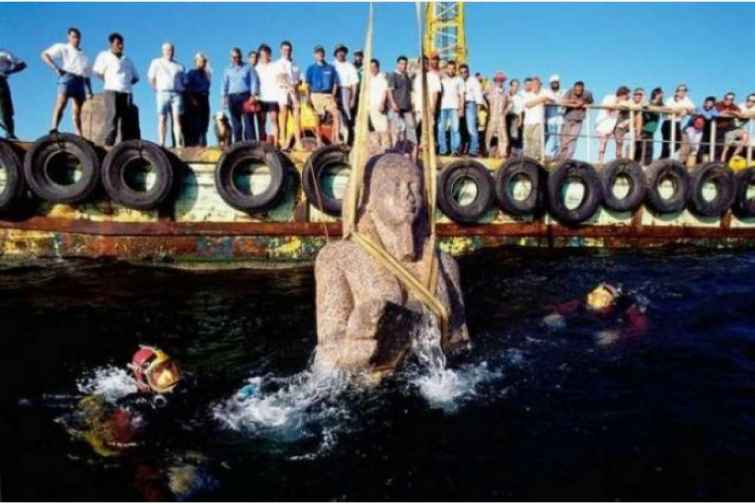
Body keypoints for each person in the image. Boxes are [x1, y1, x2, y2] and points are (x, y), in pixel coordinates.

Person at [543, 283, 649, 345]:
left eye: (601, 303)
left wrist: (617, 336)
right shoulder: (583, 304)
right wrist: (554, 314)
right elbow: (559, 307)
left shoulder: (624, 309)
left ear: (611, 304)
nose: (592, 307)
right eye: (592, 298)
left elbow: (640, 328)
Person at [42, 27, 93, 136]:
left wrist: (89, 91)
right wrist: (55, 67)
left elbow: (87, 75)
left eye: (78, 37)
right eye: (74, 37)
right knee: (61, 102)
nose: (76, 39)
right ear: (69, 37)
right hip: (67, 77)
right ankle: (54, 127)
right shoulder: (63, 47)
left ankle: (79, 133)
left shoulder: (84, 56)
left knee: (78, 110)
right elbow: (44, 55)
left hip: (80, 81)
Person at [92, 33, 140, 146]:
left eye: (122, 43)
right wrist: (109, 80)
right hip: (111, 90)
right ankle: (108, 144)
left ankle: (127, 146)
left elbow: (136, 77)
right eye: (118, 43)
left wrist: (126, 83)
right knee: (112, 117)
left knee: (127, 120)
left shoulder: (127, 59)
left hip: (127, 92)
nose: (121, 46)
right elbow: (97, 72)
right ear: (111, 44)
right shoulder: (104, 55)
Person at [148, 42, 186, 147]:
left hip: (176, 94)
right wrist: (156, 89)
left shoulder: (179, 66)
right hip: (162, 93)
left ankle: (178, 144)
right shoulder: (156, 62)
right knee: (162, 118)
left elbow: (184, 81)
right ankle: (161, 143)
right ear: (163, 51)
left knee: (177, 119)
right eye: (167, 49)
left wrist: (181, 89)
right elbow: (151, 78)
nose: (170, 52)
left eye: (171, 50)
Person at [305, 45, 340, 147]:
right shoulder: (310, 68)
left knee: (336, 113)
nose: (320, 54)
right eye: (317, 53)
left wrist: (333, 95)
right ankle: (318, 139)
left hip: (328, 95)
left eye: (321, 52)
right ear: (314, 55)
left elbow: (336, 83)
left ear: (324, 54)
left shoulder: (331, 68)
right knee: (317, 117)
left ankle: (336, 138)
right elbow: (307, 85)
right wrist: (308, 98)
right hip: (315, 95)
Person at [221, 47, 259, 143]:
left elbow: (254, 82)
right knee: (236, 123)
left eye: (237, 57)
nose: (236, 59)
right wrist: (224, 97)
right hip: (232, 97)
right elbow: (224, 84)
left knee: (248, 122)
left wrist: (253, 95)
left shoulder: (248, 67)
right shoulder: (227, 70)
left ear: (241, 57)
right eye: (233, 57)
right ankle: (238, 144)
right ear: (230, 58)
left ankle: (251, 143)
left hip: (246, 97)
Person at [387, 55, 418, 150]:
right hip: (397, 108)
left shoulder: (407, 77)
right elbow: (389, 91)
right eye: (401, 64)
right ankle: (397, 151)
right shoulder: (393, 75)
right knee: (397, 130)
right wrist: (393, 103)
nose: (403, 66)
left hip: (407, 108)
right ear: (397, 64)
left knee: (411, 130)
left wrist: (412, 105)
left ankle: (410, 149)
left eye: (405, 64)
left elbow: (410, 92)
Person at [275, 40, 302, 150]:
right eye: (285, 49)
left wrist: (295, 89)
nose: (287, 51)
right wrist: (290, 87)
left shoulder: (295, 65)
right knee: (283, 116)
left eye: (289, 50)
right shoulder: (278, 63)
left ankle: (298, 142)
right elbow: (281, 77)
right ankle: (283, 142)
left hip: (294, 92)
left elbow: (299, 79)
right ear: (281, 50)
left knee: (296, 117)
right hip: (283, 91)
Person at [558, 80, 594, 161]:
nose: (578, 92)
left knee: (573, 139)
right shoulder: (570, 91)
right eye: (576, 90)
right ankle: (562, 158)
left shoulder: (588, 93)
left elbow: (591, 103)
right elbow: (562, 101)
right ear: (574, 88)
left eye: (580, 90)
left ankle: (568, 159)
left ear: (583, 89)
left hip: (579, 120)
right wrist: (574, 102)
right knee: (564, 139)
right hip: (568, 118)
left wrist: (583, 103)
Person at [412, 55, 442, 149]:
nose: (422, 65)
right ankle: (418, 146)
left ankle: (429, 147)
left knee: (429, 129)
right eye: (421, 63)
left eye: (425, 63)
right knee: (417, 128)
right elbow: (415, 94)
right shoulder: (417, 78)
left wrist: (433, 107)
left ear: (427, 64)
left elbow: (435, 93)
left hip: (428, 107)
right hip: (418, 108)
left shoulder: (433, 76)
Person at [595, 86, 630, 163]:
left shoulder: (625, 103)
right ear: (622, 94)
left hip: (614, 124)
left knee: (619, 143)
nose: (627, 97)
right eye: (626, 96)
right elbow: (608, 109)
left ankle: (618, 162)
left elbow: (628, 112)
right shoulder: (609, 97)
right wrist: (618, 103)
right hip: (603, 123)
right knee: (603, 143)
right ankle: (600, 161)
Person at [255, 44, 281, 146]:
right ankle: (262, 143)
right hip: (260, 98)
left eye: (266, 54)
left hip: (273, 97)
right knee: (261, 121)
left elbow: (280, 79)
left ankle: (276, 143)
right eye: (262, 55)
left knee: (274, 120)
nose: (264, 57)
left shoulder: (275, 66)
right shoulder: (256, 68)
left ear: (269, 55)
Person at [437, 60, 465, 156]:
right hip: (443, 107)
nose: (451, 70)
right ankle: (443, 150)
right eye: (449, 68)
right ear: (446, 69)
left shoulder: (459, 80)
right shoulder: (442, 80)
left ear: (455, 70)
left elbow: (462, 95)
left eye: (453, 69)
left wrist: (461, 108)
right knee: (441, 128)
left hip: (454, 107)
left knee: (455, 129)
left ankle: (455, 150)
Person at [332, 44, 358, 145]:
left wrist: (353, 98)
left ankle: (348, 141)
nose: (341, 53)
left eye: (342, 51)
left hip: (346, 91)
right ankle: (335, 139)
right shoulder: (332, 65)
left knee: (347, 117)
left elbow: (354, 83)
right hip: (335, 91)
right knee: (335, 115)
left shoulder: (349, 66)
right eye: (338, 51)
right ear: (336, 53)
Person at [660, 84, 695, 159]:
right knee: (666, 144)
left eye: (685, 90)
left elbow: (692, 109)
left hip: (677, 123)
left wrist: (686, 109)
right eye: (681, 90)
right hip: (667, 123)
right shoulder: (670, 99)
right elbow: (667, 110)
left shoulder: (687, 100)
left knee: (677, 144)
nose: (683, 92)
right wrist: (680, 110)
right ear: (676, 92)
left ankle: (665, 159)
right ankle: (662, 160)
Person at [184, 53, 212, 147]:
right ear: (195, 62)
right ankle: (194, 144)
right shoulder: (191, 73)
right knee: (195, 124)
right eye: (200, 61)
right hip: (195, 98)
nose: (202, 63)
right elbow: (187, 87)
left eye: (204, 61)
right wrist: (192, 99)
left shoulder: (207, 74)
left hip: (205, 98)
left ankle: (203, 144)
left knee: (205, 122)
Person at [523, 76, 552, 159]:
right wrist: (541, 99)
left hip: (539, 122)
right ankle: (527, 159)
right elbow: (528, 105)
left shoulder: (545, 92)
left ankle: (535, 159)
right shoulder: (527, 95)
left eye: (537, 84)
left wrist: (544, 98)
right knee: (527, 142)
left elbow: (552, 100)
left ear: (540, 85)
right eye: (534, 84)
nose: (535, 86)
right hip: (528, 122)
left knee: (537, 142)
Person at [0, 49, 27, 139]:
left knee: (5, 110)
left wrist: (7, 71)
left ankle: (9, 134)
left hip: (1, 82)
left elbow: (22, 64)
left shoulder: (4, 53)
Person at [459, 63, 484, 156]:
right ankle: (464, 149)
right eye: (461, 72)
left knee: (471, 128)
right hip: (460, 105)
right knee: (462, 129)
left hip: (470, 104)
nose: (463, 74)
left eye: (465, 72)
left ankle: (474, 150)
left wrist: (477, 111)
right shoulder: (459, 80)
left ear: (468, 72)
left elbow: (478, 96)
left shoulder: (473, 80)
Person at [484, 72, 510, 159]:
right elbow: (482, 96)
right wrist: (486, 107)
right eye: (498, 80)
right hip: (492, 115)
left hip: (501, 116)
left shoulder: (505, 92)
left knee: (503, 135)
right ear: (495, 81)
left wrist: (505, 111)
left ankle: (503, 153)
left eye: (501, 80)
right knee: (489, 134)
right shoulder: (490, 90)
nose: (500, 82)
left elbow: (510, 103)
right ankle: (486, 151)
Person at [635, 87, 663, 165]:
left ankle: (647, 164)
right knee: (640, 146)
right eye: (659, 94)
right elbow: (644, 109)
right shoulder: (649, 102)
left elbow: (667, 110)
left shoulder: (661, 104)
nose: (660, 96)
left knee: (649, 148)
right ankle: (636, 163)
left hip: (652, 129)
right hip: (645, 128)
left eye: (661, 94)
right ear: (655, 94)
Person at [716, 92, 747, 162]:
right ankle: (722, 164)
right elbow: (719, 113)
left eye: (731, 99)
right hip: (720, 129)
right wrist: (729, 113)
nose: (728, 100)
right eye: (727, 99)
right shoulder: (718, 104)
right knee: (725, 147)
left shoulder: (733, 106)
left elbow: (741, 114)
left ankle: (734, 156)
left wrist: (732, 112)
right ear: (724, 98)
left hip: (731, 128)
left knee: (745, 135)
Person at [367, 58, 390, 149]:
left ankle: (385, 147)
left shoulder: (382, 78)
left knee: (383, 128)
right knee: (376, 129)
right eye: (371, 67)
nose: (372, 69)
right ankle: (379, 148)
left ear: (378, 67)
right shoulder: (368, 79)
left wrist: (382, 103)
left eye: (374, 67)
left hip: (379, 106)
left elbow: (385, 91)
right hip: (371, 107)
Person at [691, 96, 720, 162]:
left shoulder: (713, 110)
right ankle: (693, 163)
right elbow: (706, 116)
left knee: (705, 147)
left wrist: (710, 113)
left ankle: (703, 163)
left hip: (705, 131)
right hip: (695, 130)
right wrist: (707, 115)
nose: (709, 104)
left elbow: (717, 114)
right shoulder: (699, 108)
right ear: (705, 102)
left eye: (711, 103)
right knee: (695, 147)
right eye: (708, 102)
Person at [544, 74, 565, 158]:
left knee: (560, 138)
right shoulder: (547, 92)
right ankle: (552, 155)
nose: (555, 84)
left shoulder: (563, 92)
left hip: (561, 118)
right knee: (552, 138)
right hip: (550, 119)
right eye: (553, 83)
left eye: (556, 82)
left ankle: (557, 156)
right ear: (550, 84)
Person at [506, 79, 525, 157]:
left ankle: (515, 155)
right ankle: (507, 154)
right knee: (506, 136)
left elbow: (520, 110)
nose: (515, 87)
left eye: (517, 86)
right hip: (505, 117)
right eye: (514, 86)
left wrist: (520, 121)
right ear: (510, 86)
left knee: (515, 136)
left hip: (514, 117)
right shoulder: (505, 95)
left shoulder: (519, 97)